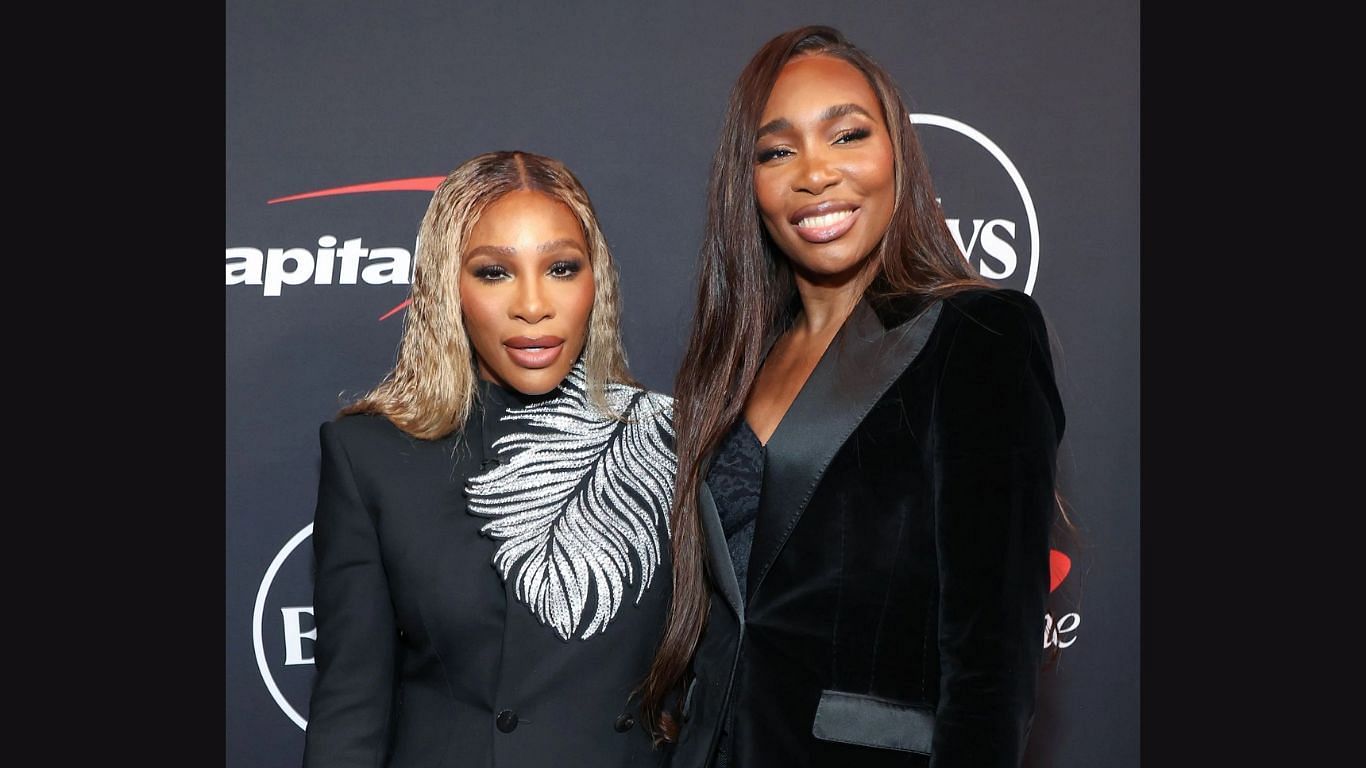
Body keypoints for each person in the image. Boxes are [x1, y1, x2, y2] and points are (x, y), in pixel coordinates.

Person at [637, 26, 1068, 768]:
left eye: (847, 136)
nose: (815, 174)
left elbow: (991, 661)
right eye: (777, 152)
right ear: (751, 185)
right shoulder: (735, 364)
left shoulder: (977, 337)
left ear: (896, 151)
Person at [302, 150, 677, 768]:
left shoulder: (669, 437)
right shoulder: (371, 456)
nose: (533, 305)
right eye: (494, 273)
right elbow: (351, 708)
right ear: (448, 285)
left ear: (596, 281)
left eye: (561, 267)